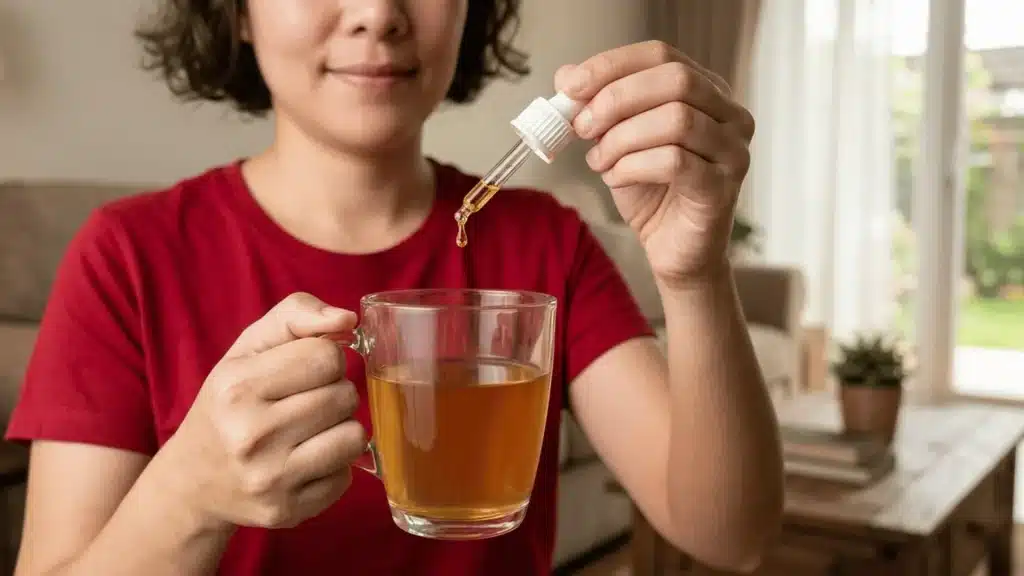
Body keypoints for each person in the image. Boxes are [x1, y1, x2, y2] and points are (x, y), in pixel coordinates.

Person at [5, 1, 784, 575]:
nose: (378, 14)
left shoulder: (546, 242)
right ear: (237, 13)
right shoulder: (126, 255)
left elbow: (730, 535)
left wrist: (696, 271)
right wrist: (188, 494)